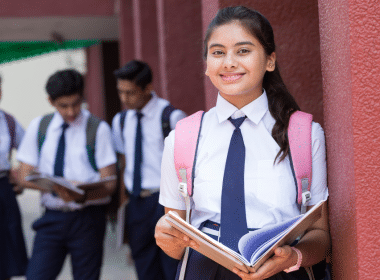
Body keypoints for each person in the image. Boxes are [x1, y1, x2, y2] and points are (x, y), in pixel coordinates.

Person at [155, 6, 330, 280]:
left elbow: (320, 236)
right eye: (218, 52)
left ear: (270, 60)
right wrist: (167, 238)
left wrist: (293, 257)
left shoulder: (305, 134)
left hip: (281, 269)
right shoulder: (182, 138)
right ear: (207, 64)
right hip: (205, 271)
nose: (229, 62)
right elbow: (176, 242)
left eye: (243, 50)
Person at [17, 69, 117, 280]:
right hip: (52, 217)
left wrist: (82, 194)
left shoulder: (98, 129)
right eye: (64, 106)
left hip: (88, 219)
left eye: (76, 103)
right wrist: (56, 187)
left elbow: (110, 184)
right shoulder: (40, 127)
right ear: (51, 101)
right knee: (36, 275)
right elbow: (23, 175)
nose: (71, 111)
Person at [112, 60, 186, 280]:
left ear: (147, 88)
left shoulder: (172, 117)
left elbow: (185, 166)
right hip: (137, 202)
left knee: (172, 266)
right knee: (143, 266)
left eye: (130, 92)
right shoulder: (121, 120)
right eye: (120, 92)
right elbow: (124, 161)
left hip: (166, 202)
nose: (124, 99)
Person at [0, 75, 28, 280]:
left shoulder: (8, 122)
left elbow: (29, 152)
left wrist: (21, 175)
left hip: (3, 190)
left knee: (5, 253)